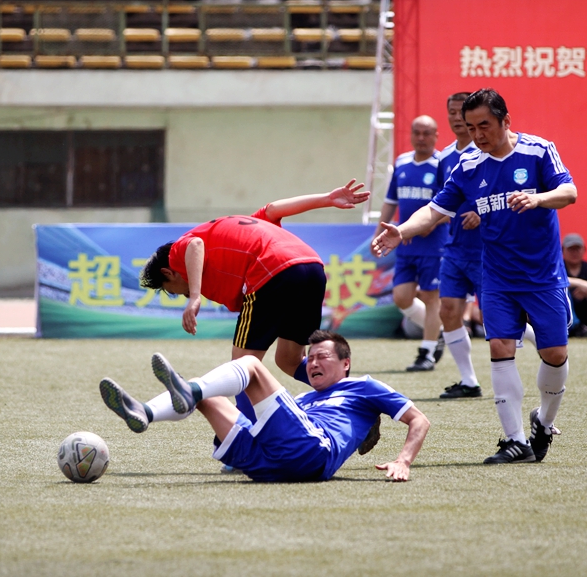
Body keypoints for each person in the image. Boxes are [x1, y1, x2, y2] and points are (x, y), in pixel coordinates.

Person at [371, 88, 577, 464]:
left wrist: (538, 198)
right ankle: (515, 440)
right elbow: (433, 212)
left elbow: (569, 190)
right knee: (500, 347)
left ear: (505, 121)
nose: (478, 134)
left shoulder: (537, 150)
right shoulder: (467, 165)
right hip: (496, 276)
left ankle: (543, 421)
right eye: (471, 127)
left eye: (485, 125)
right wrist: (403, 230)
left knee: (555, 354)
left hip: (543, 275)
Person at [138, 180, 382, 455]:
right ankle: (358, 403)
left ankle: (248, 438)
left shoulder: (179, 249)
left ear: (169, 273)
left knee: (242, 367)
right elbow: (276, 208)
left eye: (173, 291)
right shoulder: (241, 226)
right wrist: (327, 198)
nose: (180, 295)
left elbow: (195, 245)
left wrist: (194, 297)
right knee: (288, 360)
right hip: (311, 268)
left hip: (271, 272)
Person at [99, 330, 431, 482]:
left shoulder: (364, 386)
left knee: (251, 365)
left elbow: (420, 420)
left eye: (322, 357)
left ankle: (189, 390)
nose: (313, 363)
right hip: (267, 466)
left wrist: (403, 461)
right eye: (309, 358)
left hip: (312, 450)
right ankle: (146, 412)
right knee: (207, 397)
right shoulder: (302, 400)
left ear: (346, 363)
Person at [373, 115, 447, 372]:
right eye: (417, 132)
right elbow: (391, 201)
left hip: (433, 244)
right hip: (405, 243)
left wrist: (429, 224)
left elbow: (450, 207)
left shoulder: (442, 164)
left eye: (427, 133)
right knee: (401, 297)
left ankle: (426, 353)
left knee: (430, 297)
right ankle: (435, 332)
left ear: (436, 135)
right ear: (411, 134)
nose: (422, 137)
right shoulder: (402, 163)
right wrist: (378, 230)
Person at [435, 92, 484, 399]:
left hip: (487, 248)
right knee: (449, 310)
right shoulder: (445, 158)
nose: (455, 117)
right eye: (450, 112)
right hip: (454, 248)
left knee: (496, 318)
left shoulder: (491, 153)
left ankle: (547, 346)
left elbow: (506, 194)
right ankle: (469, 380)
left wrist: (481, 213)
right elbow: (441, 203)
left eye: (460, 112)